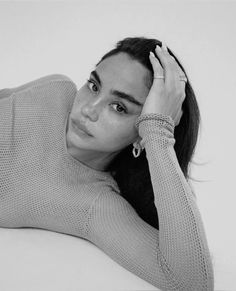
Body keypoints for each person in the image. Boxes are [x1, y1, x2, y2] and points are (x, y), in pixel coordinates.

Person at [0, 37, 214, 290]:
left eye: (119, 107)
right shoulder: (52, 92)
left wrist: (157, 132)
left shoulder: (96, 205)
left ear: (141, 133)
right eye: (93, 86)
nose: (89, 109)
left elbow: (191, 282)